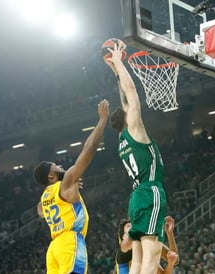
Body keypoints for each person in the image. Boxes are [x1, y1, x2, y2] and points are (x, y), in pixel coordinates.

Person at [106, 40, 167, 274]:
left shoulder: (122, 141)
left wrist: (116, 72)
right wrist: (120, 63)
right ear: (127, 117)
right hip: (150, 192)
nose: (130, 108)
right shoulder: (135, 129)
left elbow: (124, 97)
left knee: (139, 260)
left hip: (136, 198)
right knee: (152, 258)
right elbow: (131, 93)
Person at [33, 99, 110, 274]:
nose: (61, 166)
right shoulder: (66, 181)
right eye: (56, 166)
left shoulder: (44, 197)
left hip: (53, 249)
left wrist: (67, 188)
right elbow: (89, 149)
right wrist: (102, 120)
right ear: (51, 176)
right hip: (69, 241)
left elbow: (39, 211)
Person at [115, 216, 179, 274]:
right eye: (129, 226)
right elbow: (127, 243)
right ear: (123, 236)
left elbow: (175, 259)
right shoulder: (123, 251)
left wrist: (169, 233)